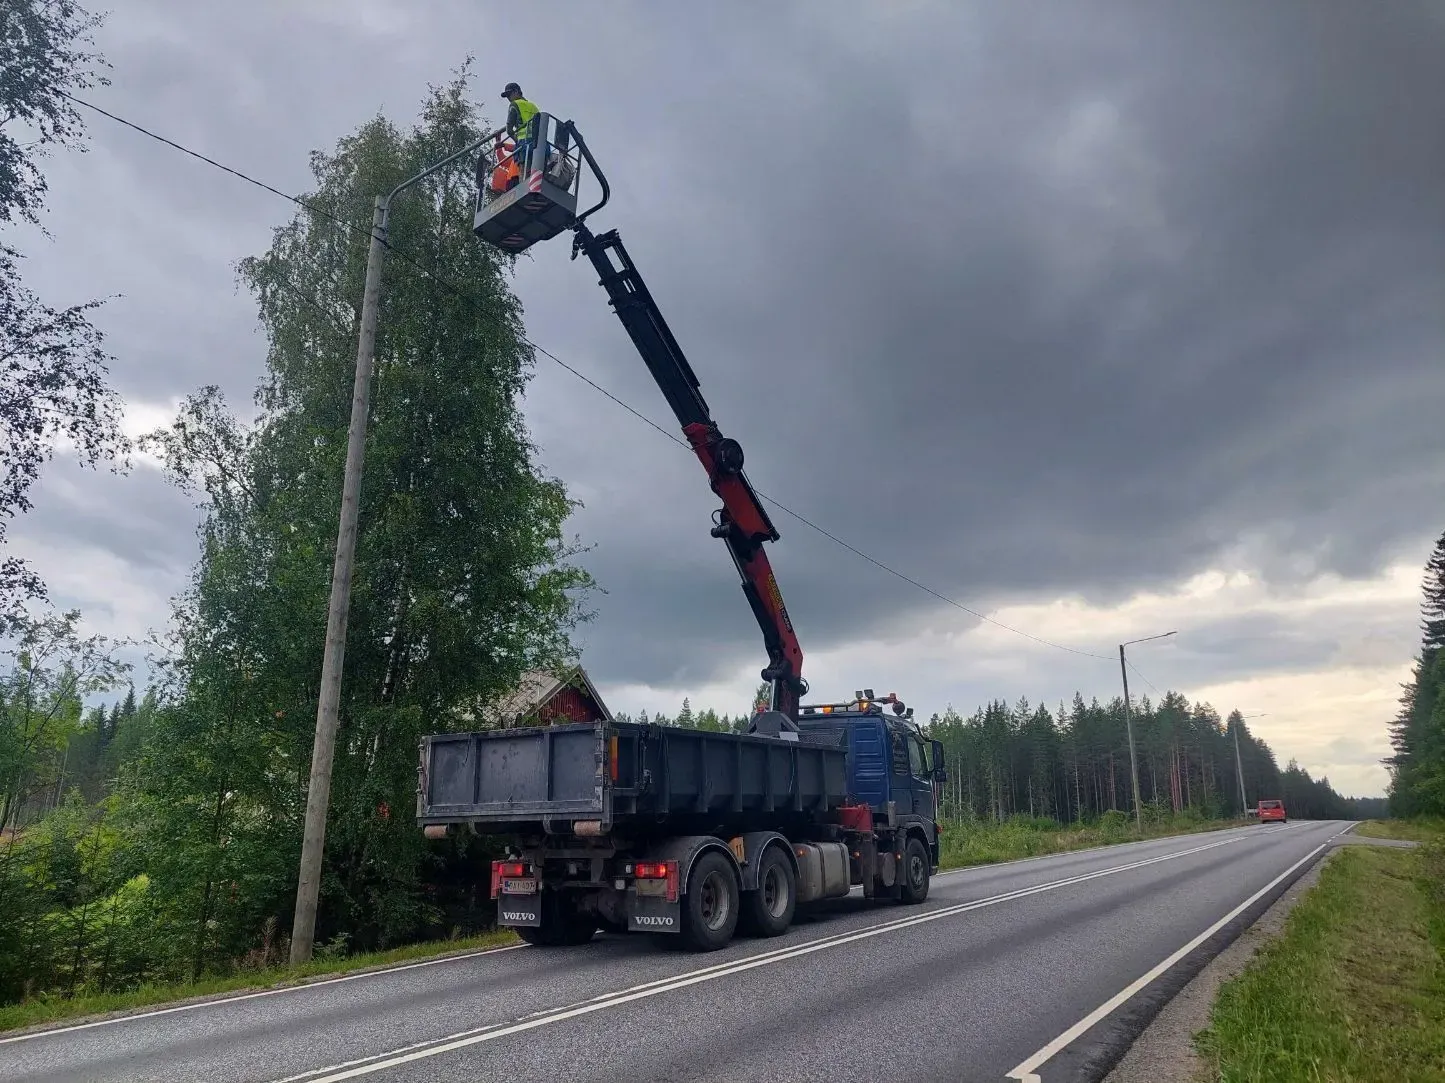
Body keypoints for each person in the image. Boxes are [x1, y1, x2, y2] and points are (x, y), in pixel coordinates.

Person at [501, 82, 540, 170]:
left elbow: (509, 130)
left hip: (524, 143)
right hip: (538, 143)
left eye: (509, 94)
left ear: (516, 91)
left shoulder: (514, 104)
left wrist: (517, 141)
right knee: (538, 170)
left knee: (524, 175)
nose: (508, 98)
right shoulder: (533, 106)